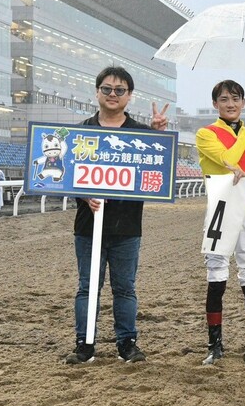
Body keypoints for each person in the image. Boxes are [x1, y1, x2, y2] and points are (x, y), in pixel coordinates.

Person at [65, 66, 169, 364]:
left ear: (129, 96)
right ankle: (85, 345)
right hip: (88, 226)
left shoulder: (142, 134)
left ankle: (127, 343)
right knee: (88, 288)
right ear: (97, 92)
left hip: (127, 227)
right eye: (107, 89)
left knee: (124, 288)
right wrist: (82, 194)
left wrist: (159, 138)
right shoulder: (82, 131)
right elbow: (68, 175)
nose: (113, 94)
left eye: (120, 90)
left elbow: (160, 175)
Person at [196, 80, 245, 366]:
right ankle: (214, 345)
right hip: (220, 205)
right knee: (216, 275)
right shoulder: (206, 134)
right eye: (225, 99)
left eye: (236, 99)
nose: (231, 104)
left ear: (243, 102)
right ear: (215, 103)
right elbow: (228, 159)